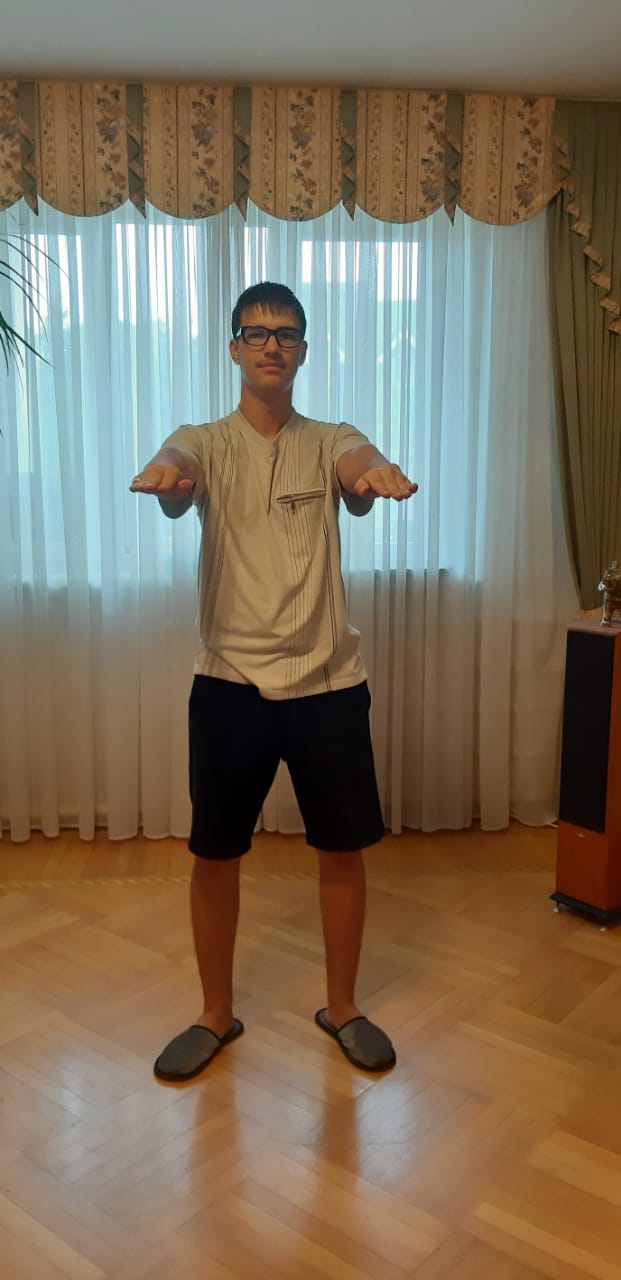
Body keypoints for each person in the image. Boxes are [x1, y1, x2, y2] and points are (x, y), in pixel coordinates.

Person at [130, 281, 417, 1082]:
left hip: (328, 681)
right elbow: (177, 473)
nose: (270, 346)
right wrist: (166, 476)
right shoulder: (203, 440)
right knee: (214, 854)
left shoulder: (330, 438)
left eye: (285, 334)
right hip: (228, 682)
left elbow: (359, 466)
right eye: (255, 334)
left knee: (341, 850)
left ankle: (343, 1007)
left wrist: (375, 472)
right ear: (233, 348)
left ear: (302, 350)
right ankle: (214, 1015)